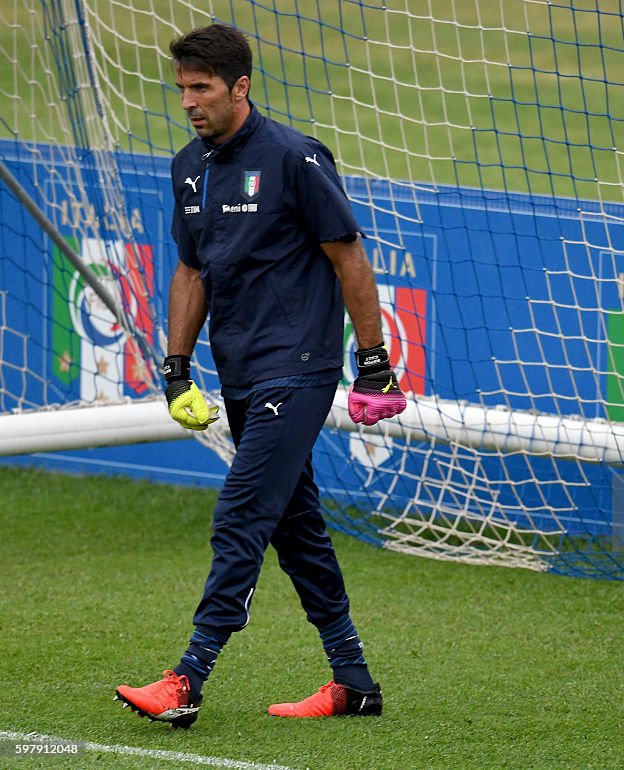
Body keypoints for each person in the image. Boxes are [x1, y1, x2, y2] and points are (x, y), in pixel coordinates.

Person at [115, 23, 407, 728]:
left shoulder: (294, 157)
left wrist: (373, 365)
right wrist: (177, 368)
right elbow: (190, 271)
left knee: (242, 513)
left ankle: (188, 677)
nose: (189, 101)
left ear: (240, 87)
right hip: (240, 373)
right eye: (182, 88)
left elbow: (350, 259)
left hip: (299, 369)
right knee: (296, 529)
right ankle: (354, 680)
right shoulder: (188, 166)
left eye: (203, 88)